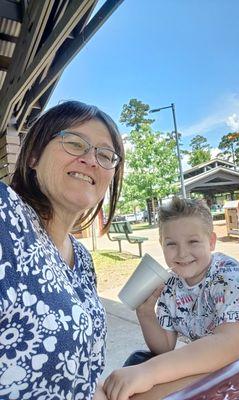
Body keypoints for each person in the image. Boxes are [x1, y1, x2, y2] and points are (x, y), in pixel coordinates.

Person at [0, 101, 124, 399]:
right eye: (74, 143)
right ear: (33, 156)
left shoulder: (82, 258)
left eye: (105, 155)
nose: (91, 160)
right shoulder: (5, 213)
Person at [103, 197, 239, 400]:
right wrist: (145, 313)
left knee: (143, 385)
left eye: (193, 241)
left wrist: (149, 372)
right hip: (219, 367)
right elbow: (164, 347)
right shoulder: (171, 285)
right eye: (171, 244)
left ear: (212, 241)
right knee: (138, 362)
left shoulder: (229, 276)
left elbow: (228, 346)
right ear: (162, 245)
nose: (182, 252)